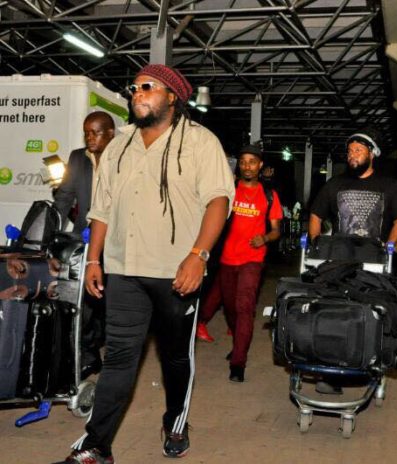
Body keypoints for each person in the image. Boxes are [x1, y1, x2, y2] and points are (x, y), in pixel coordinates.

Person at [55, 64, 235, 464]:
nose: (137, 93)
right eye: (134, 88)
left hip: (176, 272)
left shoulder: (200, 141)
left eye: (147, 87)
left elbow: (218, 201)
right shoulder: (119, 145)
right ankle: (97, 445)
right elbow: (102, 209)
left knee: (175, 357)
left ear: (172, 96)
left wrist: (199, 255)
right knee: (119, 357)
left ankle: (175, 422)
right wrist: (95, 258)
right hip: (124, 268)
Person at [309, 128, 397, 394]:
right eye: (350, 151)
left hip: (374, 261)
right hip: (340, 262)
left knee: (374, 312)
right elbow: (316, 215)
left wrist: (390, 246)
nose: (352, 155)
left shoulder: (390, 186)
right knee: (334, 312)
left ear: (372, 154)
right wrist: (316, 243)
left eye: (358, 150)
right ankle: (331, 371)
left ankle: (373, 358)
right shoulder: (334, 185)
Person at [196, 144, 282, 382]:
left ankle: (238, 363)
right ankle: (238, 343)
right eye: (243, 162)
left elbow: (276, 230)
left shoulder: (269, 195)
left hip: (253, 259)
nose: (247, 166)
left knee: (245, 307)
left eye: (252, 162)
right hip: (226, 259)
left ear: (260, 165)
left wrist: (265, 238)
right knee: (232, 309)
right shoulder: (228, 191)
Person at [53, 111, 115, 380]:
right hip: (83, 239)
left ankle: (110, 353)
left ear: (110, 133)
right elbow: (64, 198)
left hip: (116, 240)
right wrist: (49, 233)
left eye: (96, 132)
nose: (90, 137)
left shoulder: (123, 157)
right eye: (86, 133)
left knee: (110, 300)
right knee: (83, 300)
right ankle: (88, 356)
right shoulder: (78, 158)